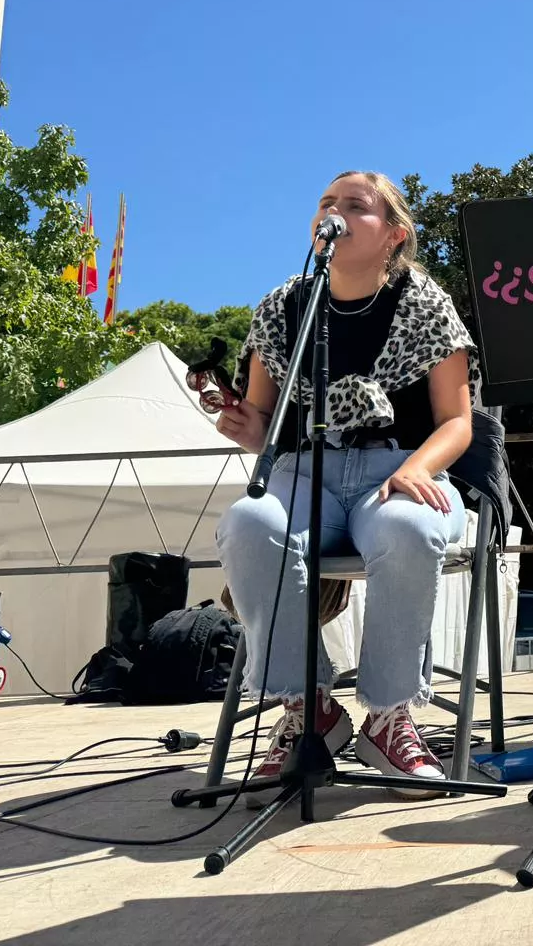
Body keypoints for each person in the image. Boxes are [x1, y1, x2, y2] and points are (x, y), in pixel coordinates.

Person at [214, 171, 478, 803]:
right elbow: (264, 431)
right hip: (306, 470)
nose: (333, 214)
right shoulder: (284, 307)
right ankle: (309, 709)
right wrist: (241, 423)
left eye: (355, 207)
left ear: (394, 235)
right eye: (325, 204)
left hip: (400, 468)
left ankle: (389, 718)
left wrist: (417, 468)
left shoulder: (426, 304)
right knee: (250, 525)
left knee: (408, 531)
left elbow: (459, 422)